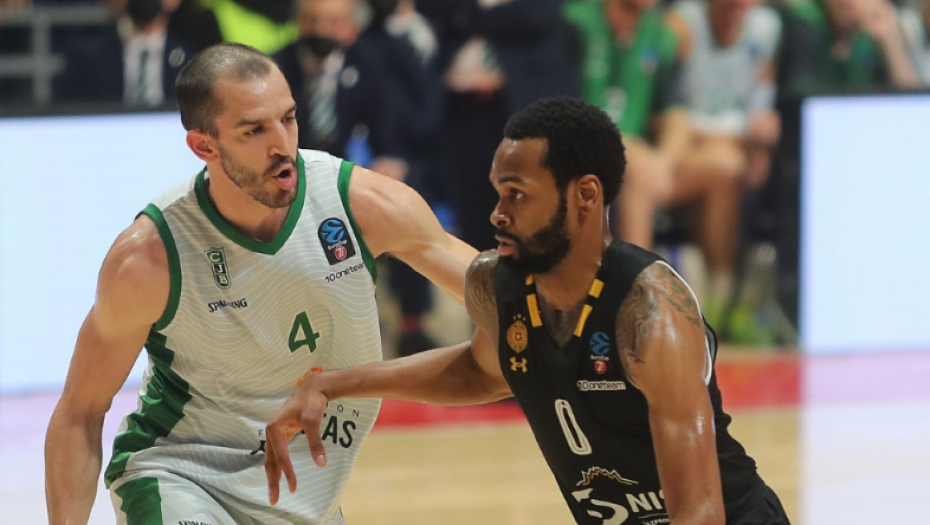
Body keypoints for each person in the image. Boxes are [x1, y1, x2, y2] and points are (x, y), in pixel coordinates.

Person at [265, 98, 791, 525]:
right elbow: (481, 373)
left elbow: (700, 515)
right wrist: (334, 384)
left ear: (585, 195)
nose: (498, 213)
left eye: (517, 194)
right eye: (499, 192)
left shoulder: (650, 312)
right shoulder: (499, 287)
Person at [44, 43, 476, 525]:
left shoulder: (362, 205)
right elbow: (80, 412)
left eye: (288, 119)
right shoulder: (148, 257)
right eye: (254, 130)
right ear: (204, 146)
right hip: (182, 472)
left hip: (303, 497)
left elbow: (500, 295)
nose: (282, 145)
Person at [664, 0, 783, 341]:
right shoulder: (682, 24)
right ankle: (720, 297)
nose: (739, 8)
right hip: (685, 146)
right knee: (725, 165)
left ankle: (723, 301)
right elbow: (670, 111)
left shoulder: (766, 27)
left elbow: (762, 101)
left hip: (737, 146)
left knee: (734, 165)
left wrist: (760, 139)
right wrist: (739, 138)